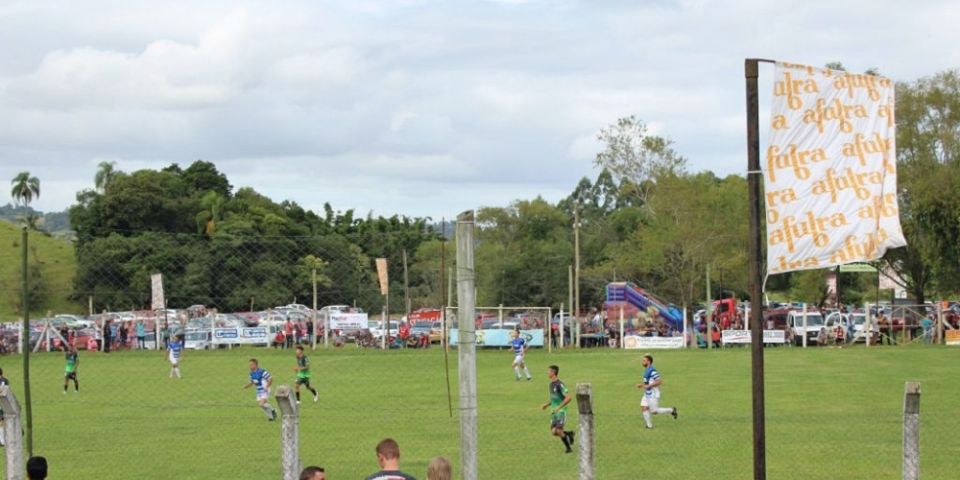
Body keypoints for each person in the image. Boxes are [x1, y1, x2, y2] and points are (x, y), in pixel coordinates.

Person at [636, 354, 677, 429]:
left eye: (644, 360)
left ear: (649, 362)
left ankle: (671, 410)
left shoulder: (652, 371)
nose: (642, 362)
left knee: (654, 411)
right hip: (647, 393)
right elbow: (647, 382)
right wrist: (642, 385)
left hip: (653, 394)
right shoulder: (647, 370)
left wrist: (648, 386)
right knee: (643, 407)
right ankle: (649, 426)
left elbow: (659, 381)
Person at [540, 365, 575, 453]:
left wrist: (559, 408)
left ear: (553, 372)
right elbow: (554, 398)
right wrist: (547, 405)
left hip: (561, 411)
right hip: (554, 411)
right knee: (554, 432)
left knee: (558, 430)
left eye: (549, 371)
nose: (547, 373)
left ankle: (568, 448)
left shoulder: (560, 384)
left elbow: (568, 398)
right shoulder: (551, 384)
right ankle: (569, 434)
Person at [0, 367, 7, 446]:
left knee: (2, 421)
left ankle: (2, 440)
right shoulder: (4, 380)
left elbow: (3, 392)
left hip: (2, 404)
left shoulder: (3, 381)